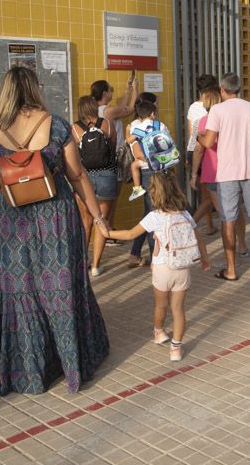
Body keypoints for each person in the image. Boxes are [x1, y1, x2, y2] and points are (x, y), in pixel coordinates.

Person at [0, 66, 110, 395]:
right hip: (57, 219)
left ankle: (30, 372)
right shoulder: (57, 124)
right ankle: (72, 365)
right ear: (35, 89)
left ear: (5, 91)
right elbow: (77, 175)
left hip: (14, 222)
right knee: (61, 289)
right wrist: (97, 216)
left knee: (22, 293)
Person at [108, 170, 210, 362]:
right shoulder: (185, 213)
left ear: (153, 194)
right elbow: (199, 238)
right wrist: (204, 259)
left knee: (161, 305)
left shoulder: (154, 216)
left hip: (163, 268)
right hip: (183, 268)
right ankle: (176, 348)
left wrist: (108, 233)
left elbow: (130, 234)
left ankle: (159, 332)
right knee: (178, 309)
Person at [198, 72, 250, 282]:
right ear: (239, 89)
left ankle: (232, 269)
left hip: (227, 173)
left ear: (222, 90)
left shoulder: (217, 110)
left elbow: (207, 143)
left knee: (228, 219)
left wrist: (198, 135)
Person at [190, 88, 246, 251]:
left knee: (225, 215)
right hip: (234, 169)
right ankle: (242, 245)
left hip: (213, 172)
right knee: (237, 210)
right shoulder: (230, 119)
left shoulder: (203, 121)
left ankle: (230, 254)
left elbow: (199, 150)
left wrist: (194, 174)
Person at [72, 96, 118, 277]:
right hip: (107, 175)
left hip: (84, 179)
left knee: (86, 222)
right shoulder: (106, 123)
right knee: (102, 221)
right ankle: (96, 266)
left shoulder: (74, 128)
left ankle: (83, 263)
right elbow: (113, 148)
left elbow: (74, 155)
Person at [125, 98, 170, 267]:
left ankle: (136, 253)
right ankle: (155, 256)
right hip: (160, 170)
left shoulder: (134, 128)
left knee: (150, 212)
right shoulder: (161, 126)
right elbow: (167, 146)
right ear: (152, 114)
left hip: (145, 172)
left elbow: (135, 152)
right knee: (155, 214)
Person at [186, 74, 219, 234]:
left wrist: (189, 154)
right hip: (209, 152)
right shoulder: (217, 105)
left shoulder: (193, 107)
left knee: (207, 194)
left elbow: (192, 133)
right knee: (208, 196)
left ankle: (210, 225)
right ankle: (192, 224)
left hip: (196, 149)